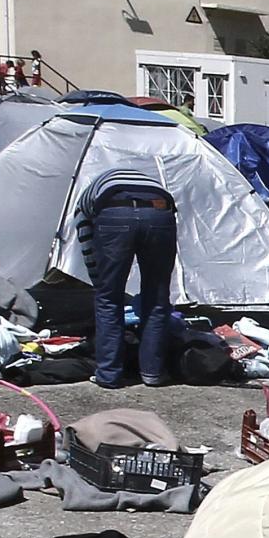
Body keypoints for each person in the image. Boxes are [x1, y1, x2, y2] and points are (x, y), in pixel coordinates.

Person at [73, 164, 178, 388]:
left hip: (114, 212)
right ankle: (153, 373)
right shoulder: (147, 182)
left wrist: (100, 281)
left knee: (109, 299)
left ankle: (109, 374)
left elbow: (86, 242)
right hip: (161, 210)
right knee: (157, 298)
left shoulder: (85, 201)